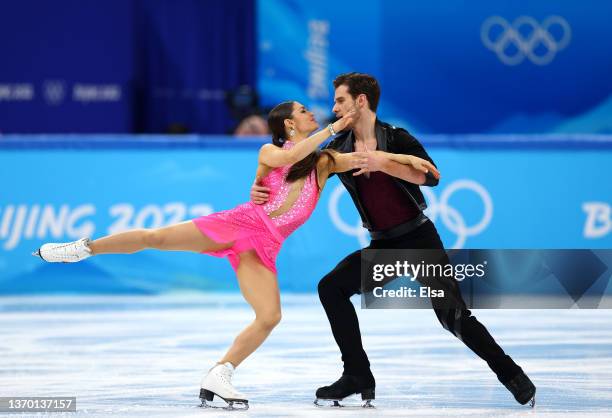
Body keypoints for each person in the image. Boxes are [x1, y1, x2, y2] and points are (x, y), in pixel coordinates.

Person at [32, 100, 435, 410]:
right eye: (303, 112)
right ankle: (82, 247)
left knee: (270, 316)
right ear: (289, 124)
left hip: (265, 246)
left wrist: (408, 159)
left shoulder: (325, 162)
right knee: (156, 236)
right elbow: (292, 157)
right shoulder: (270, 151)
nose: (312, 113)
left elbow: (368, 160)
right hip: (239, 224)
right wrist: (333, 127)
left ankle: (219, 374)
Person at [251, 73, 536, 407]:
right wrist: (258, 186)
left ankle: (512, 374)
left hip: (419, 240)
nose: (334, 107)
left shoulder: (397, 137)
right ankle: (357, 374)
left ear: (360, 101)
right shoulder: (337, 148)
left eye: (340, 100)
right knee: (331, 288)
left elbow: (430, 177)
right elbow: (290, 172)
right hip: (384, 247)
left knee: (453, 317)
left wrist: (384, 161)